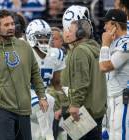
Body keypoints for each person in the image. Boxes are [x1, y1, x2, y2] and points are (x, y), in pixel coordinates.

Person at [0, 9, 48, 140]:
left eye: (12, 24)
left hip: (24, 108)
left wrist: (42, 96)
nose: (11, 27)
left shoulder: (24, 47)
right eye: (6, 25)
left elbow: (35, 73)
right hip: (1, 108)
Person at [54, 6, 107, 140]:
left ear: (80, 33)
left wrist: (74, 105)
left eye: (69, 30)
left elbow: (81, 81)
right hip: (95, 111)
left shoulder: (80, 51)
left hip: (81, 113)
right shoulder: (94, 48)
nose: (65, 33)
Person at [25, 19, 65, 140]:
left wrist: (66, 102)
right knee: (48, 102)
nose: (44, 39)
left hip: (43, 96)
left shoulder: (56, 54)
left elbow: (57, 83)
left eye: (46, 36)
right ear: (31, 37)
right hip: (25, 95)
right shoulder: (24, 53)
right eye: (39, 36)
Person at [99, 9, 129, 140]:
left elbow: (105, 66)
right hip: (112, 97)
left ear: (115, 26)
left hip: (124, 99)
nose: (104, 27)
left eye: (107, 24)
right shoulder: (114, 43)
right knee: (111, 135)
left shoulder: (126, 43)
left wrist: (105, 45)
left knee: (120, 135)